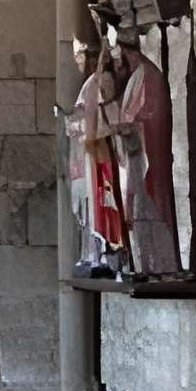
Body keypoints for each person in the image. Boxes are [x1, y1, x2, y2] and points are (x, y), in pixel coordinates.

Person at [103, 25, 180, 275]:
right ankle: (147, 265)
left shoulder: (149, 76)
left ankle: (160, 266)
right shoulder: (139, 75)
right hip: (137, 155)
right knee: (138, 213)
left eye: (120, 56)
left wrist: (124, 125)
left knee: (149, 210)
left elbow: (150, 115)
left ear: (127, 51)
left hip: (147, 156)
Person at [64, 33, 123, 275]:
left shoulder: (103, 81)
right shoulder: (91, 82)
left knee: (102, 204)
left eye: (81, 54)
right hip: (88, 153)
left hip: (100, 155)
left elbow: (107, 117)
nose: (78, 60)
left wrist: (78, 124)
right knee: (90, 210)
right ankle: (91, 254)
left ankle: (104, 253)